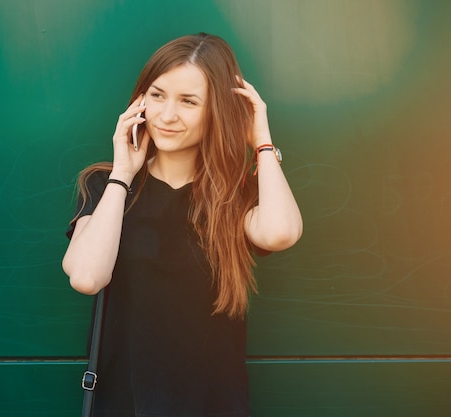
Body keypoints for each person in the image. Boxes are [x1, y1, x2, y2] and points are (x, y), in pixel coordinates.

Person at [63, 32, 302, 417]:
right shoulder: (105, 185)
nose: (167, 115)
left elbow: (280, 232)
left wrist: (261, 141)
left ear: (216, 111)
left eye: (189, 102)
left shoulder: (232, 194)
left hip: (212, 403)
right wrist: (122, 174)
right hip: (126, 402)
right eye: (157, 95)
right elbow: (87, 277)